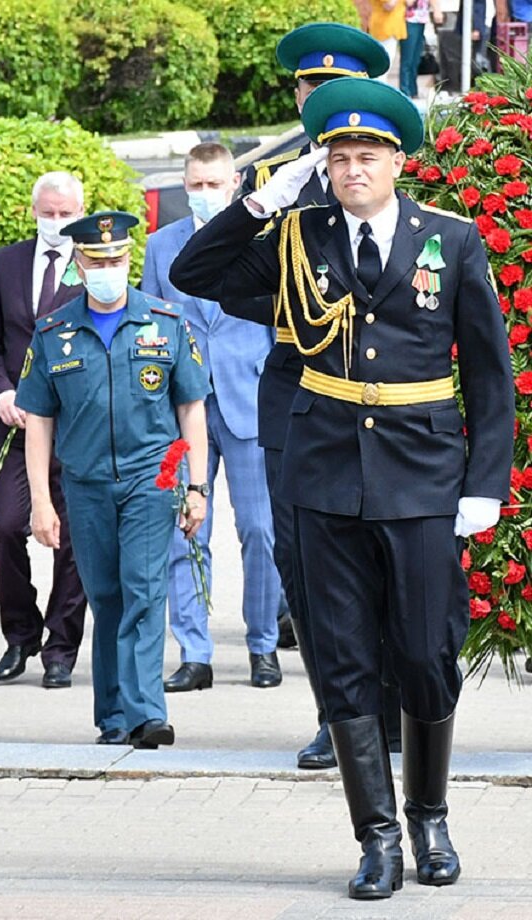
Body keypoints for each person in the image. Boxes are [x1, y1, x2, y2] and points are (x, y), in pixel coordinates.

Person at [170, 78, 513, 899]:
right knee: (342, 657)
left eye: (368, 155)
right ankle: (379, 837)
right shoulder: (297, 236)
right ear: (322, 166)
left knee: (429, 652)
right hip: (324, 476)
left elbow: (491, 375)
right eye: (339, 157)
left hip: (424, 475)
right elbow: (194, 270)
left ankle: (429, 814)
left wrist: (484, 484)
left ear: (398, 161)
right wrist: (258, 203)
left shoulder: (451, 241)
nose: (352, 168)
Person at [243, 22, 393, 770]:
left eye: (336, 88)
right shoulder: (269, 177)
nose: (320, 97)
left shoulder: (384, 167)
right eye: (311, 87)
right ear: (298, 96)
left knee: (389, 553)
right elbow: (236, 279)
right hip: (295, 387)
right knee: (305, 560)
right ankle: (337, 715)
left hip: (385, 391)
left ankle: (391, 704)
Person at [16, 212, 210, 746]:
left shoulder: (166, 323)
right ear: (78, 264)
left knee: (144, 590)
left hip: (152, 478)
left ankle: (148, 712)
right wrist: (40, 501)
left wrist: (196, 487)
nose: (108, 269)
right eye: (97, 261)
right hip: (85, 483)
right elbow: (38, 420)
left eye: (118, 260)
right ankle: (115, 716)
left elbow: (191, 408)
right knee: (106, 597)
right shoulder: (55, 332)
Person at [142, 143, 283, 692]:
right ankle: (195, 653)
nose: (205, 195)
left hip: (249, 405)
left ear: (237, 183)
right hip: (184, 412)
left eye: (215, 185)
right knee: (186, 533)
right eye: (195, 185)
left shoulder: (265, 242)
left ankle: (263, 646)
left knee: (261, 532)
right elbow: (152, 326)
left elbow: (278, 326)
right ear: (184, 184)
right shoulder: (161, 246)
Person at [0, 171, 88, 689]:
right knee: (5, 524)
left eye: (66, 215)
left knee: (75, 541)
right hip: (17, 430)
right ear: (34, 211)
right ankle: (20, 634)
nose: (57, 223)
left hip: (78, 429)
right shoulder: (6, 263)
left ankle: (60, 648)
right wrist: (0, 392)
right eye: (49, 214)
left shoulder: (95, 261)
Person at [399, 0, 445, 99]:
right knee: (408, 59)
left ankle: (413, 90)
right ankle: (405, 90)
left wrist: (437, 10)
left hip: (421, 20)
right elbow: (408, 3)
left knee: (416, 59)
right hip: (408, 20)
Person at [369, 0, 408, 81]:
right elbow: (389, 5)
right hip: (384, 28)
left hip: (392, 27)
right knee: (383, 66)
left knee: (385, 64)